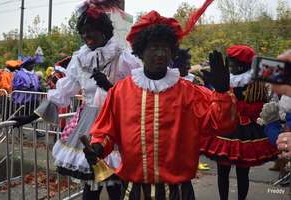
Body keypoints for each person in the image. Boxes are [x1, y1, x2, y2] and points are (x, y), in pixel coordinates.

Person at [86, 6, 238, 199]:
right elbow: (106, 129)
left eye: (166, 47)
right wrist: (98, 146)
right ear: (141, 51)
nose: (161, 53)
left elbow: (220, 126)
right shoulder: (121, 91)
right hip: (134, 189)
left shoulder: (190, 91)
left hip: (177, 190)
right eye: (154, 47)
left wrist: (223, 93)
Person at [11, 1, 143, 200]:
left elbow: (137, 95)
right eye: (83, 31)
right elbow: (65, 91)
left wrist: (110, 88)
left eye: (90, 30)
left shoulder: (124, 58)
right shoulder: (80, 59)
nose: (86, 35)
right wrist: (32, 116)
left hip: (117, 123)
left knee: (117, 186)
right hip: (88, 122)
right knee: (92, 185)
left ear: (104, 31)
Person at [200, 45, 280, 200]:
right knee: (222, 171)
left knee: (242, 173)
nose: (228, 67)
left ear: (241, 66)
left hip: (245, 130)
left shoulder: (255, 83)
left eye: (230, 63)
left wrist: (233, 103)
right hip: (223, 126)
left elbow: (257, 109)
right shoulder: (227, 78)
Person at [171, 48, 210, 171]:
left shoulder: (192, 79)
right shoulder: (168, 81)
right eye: (185, 64)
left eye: (189, 63)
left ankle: (195, 161)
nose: (189, 66)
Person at [11, 56, 45, 139]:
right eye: (31, 64)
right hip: (23, 99)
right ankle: (21, 133)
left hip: (33, 99)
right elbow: (15, 86)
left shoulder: (33, 73)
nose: (33, 66)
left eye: (33, 64)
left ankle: (36, 132)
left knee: (35, 115)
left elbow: (36, 84)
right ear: (26, 65)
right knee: (22, 116)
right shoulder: (19, 74)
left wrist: (39, 87)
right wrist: (27, 86)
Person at [49, 55, 72, 143]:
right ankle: (57, 135)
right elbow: (56, 85)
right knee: (60, 117)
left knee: (65, 117)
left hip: (65, 98)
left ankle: (62, 134)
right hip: (59, 98)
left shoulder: (65, 72)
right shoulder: (57, 73)